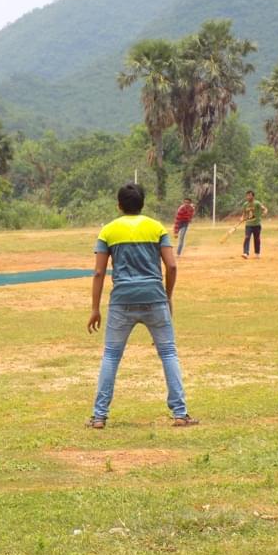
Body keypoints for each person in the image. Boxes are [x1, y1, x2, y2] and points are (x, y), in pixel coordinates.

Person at [87, 183, 198, 429]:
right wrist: (167, 296)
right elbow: (171, 266)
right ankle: (180, 413)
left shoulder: (108, 231)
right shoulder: (156, 227)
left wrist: (95, 308)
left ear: (119, 205)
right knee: (168, 353)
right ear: (142, 204)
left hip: (122, 301)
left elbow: (98, 273)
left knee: (111, 356)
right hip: (154, 298)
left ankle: (99, 416)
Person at [240, 190, 268, 259]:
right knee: (247, 238)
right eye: (247, 195)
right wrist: (242, 218)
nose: (248, 197)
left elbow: (264, 209)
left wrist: (265, 212)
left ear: (253, 196)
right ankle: (245, 253)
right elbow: (243, 214)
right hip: (248, 225)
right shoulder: (245, 204)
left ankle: (257, 253)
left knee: (257, 239)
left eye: (249, 195)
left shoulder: (257, 203)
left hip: (256, 224)